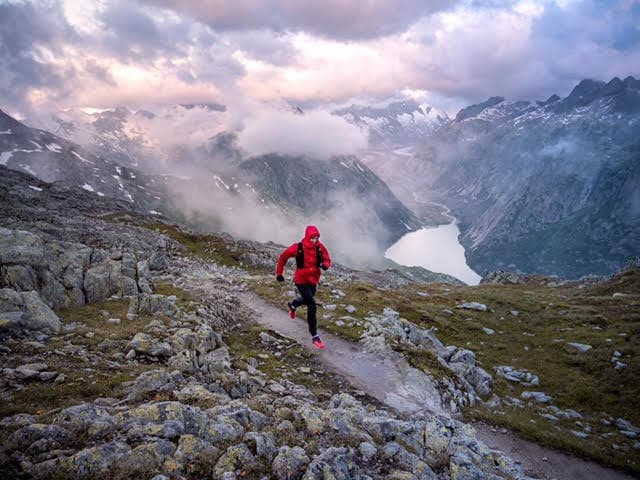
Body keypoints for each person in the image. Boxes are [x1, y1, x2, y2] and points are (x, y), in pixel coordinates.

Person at [276, 225, 331, 349]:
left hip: (313, 280)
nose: (314, 240)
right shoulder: (298, 247)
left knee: (307, 299)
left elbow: (327, 259)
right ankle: (315, 336)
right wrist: (279, 273)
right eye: (312, 237)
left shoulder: (320, 248)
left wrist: (325, 265)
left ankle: (293, 305)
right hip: (301, 280)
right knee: (311, 304)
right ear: (307, 236)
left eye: (316, 237)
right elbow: (283, 257)